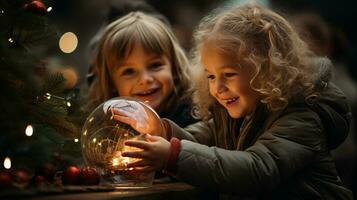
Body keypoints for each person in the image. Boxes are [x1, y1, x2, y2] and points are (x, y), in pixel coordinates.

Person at [111, 4, 353, 199]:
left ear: (266, 70)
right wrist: (162, 130)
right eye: (211, 76)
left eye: (229, 74)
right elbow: (201, 141)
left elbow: (256, 169)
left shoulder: (301, 117)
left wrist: (172, 156)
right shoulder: (231, 115)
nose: (218, 87)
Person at [86, 11, 197, 128]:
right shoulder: (108, 126)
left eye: (155, 65)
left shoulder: (193, 115)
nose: (145, 79)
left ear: (174, 67)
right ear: (111, 82)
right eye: (129, 71)